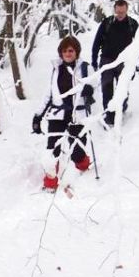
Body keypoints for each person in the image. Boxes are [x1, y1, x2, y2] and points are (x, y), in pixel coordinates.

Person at [32, 36, 95, 190]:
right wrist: (38, 116)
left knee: (76, 150)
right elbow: (49, 93)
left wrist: (89, 90)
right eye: (65, 51)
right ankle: (50, 183)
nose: (68, 53)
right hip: (57, 114)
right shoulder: (57, 69)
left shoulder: (86, 68)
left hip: (77, 115)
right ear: (60, 53)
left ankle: (84, 166)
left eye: (71, 50)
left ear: (76, 52)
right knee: (53, 149)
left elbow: (96, 86)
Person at [91, 0, 139, 126]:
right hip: (107, 61)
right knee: (107, 88)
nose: (120, 14)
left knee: (123, 89)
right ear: (115, 9)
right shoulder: (107, 22)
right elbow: (97, 42)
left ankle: (121, 108)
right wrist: (93, 59)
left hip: (125, 62)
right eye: (118, 11)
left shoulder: (132, 24)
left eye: (122, 12)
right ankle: (109, 116)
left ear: (126, 10)